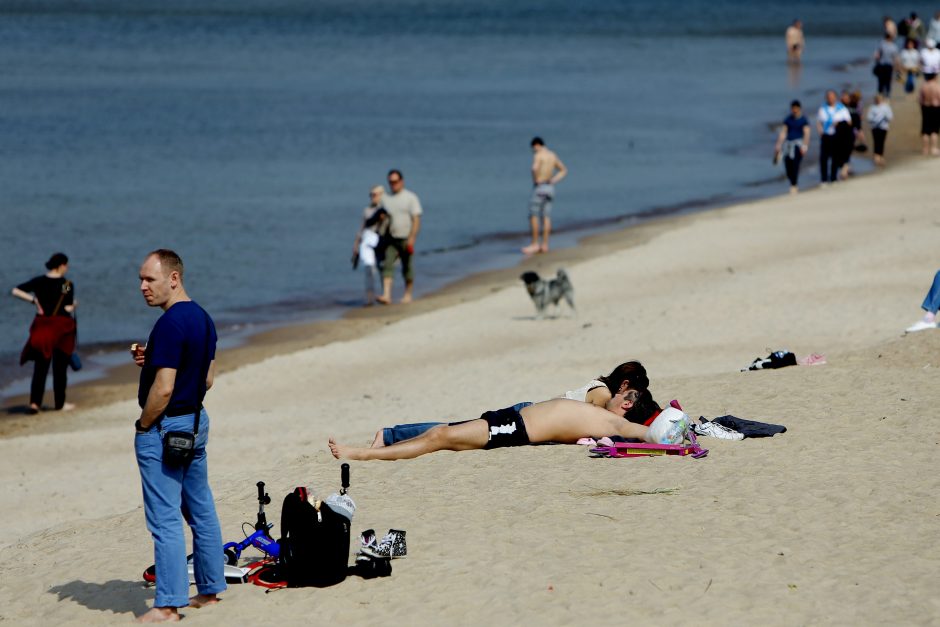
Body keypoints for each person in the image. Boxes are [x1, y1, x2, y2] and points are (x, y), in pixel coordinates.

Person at [132, 249, 225, 623]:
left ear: (174, 278)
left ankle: (168, 606)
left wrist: (143, 424)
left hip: (167, 427)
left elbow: (165, 388)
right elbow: (206, 378)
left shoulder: (170, 324)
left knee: (165, 518)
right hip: (195, 424)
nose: (142, 287)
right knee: (200, 509)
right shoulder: (203, 318)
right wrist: (151, 358)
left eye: (150, 279)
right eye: (140, 279)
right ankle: (210, 591)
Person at [372, 361, 659, 448]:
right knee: (455, 431)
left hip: (535, 416)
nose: (629, 402)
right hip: (530, 416)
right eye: (632, 394)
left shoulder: (602, 390)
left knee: (457, 431)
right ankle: (390, 435)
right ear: (624, 386)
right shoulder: (602, 396)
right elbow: (600, 424)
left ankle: (391, 435)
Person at [330, 396, 689, 462]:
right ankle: (375, 448)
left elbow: (653, 436)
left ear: (627, 404)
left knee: (440, 437)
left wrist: (673, 427)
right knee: (442, 434)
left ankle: (363, 453)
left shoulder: (617, 421)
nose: (615, 396)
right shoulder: (607, 418)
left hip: (514, 429)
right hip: (514, 423)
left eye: (622, 395)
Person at [11, 252, 77, 414]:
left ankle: (35, 403)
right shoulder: (66, 284)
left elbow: (15, 290)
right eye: (66, 265)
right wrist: (74, 305)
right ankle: (59, 404)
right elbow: (67, 307)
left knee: (40, 367)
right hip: (62, 329)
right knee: (60, 368)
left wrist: (34, 301)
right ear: (61, 265)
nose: (67, 268)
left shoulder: (39, 281)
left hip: (43, 327)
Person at [377, 169, 422, 304]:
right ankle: (386, 295)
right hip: (390, 239)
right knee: (387, 265)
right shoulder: (385, 199)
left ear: (401, 181)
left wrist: (412, 237)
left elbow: (416, 219)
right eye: (390, 182)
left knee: (407, 267)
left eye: (395, 182)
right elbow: (378, 215)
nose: (393, 184)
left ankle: (408, 294)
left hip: (406, 238)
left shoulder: (410, 197)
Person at [522, 137, 567, 255]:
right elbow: (563, 170)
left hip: (540, 187)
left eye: (533, 148)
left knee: (534, 215)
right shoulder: (552, 155)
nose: (533, 150)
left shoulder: (539, 155)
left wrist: (535, 180)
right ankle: (545, 244)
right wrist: (553, 180)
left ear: (536, 145)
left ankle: (535, 244)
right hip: (550, 187)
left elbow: (534, 168)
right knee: (546, 216)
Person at [352, 185, 389, 306]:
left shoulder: (387, 208)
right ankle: (369, 299)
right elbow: (361, 228)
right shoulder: (367, 210)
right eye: (371, 194)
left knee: (383, 268)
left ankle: (386, 294)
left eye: (375, 194)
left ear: (382, 195)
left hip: (382, 241)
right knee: (369, 270)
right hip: (368, 241)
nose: (372, 197)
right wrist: (356, 246)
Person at [774, 99, 811, 193]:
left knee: (795, 164)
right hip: (787, 145)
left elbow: (807, 133)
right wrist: (778, 145)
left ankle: (794, 185)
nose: (794, 110)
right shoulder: (788, 119)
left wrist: (805, 146)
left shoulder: (803, 120)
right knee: (787, 164)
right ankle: (792, 182)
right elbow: (783, 132)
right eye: (793, 108)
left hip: (798, 145)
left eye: (796, 108)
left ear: (799, 108)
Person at [816, 90, 851, 184]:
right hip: (826, 136)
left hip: (837, 136)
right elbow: (818, 122)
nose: (830, 99)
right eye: (828, 97)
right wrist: (820, 132)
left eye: (832, 96)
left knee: (835, 157)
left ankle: (833, 177)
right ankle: (824, 179)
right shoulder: (822, 109)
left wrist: (839, 124)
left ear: (835, 97)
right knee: (824, 158)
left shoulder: (842, 108)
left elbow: (849, 123)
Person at [866, 94, 893, 167]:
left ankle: (881, 156)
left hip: (883, 127)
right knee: (876, 141)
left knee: (881, 141)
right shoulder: (872, 107)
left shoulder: (886, 107)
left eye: (879, 99)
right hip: (874, 127)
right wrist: (875, 120)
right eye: (876, 99)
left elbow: (890, 117)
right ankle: (876, 156)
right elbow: (869, 117)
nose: (878, 100)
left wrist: (884, 117)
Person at [919, 73, 940, 156]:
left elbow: (920, 100)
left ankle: (925, 149)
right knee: (935, 129)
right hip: (936, 108)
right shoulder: (937, 86)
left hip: (926, 107)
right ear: (935, 77)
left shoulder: (924, 86)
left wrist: (923, 106)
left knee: (925, 129)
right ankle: (933, 148)